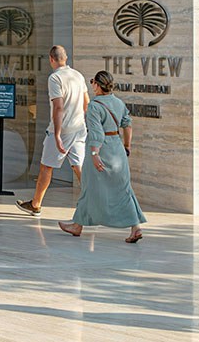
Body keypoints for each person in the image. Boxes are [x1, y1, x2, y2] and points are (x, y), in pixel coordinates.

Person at [58, 71, 145, 242]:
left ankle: (77, 226)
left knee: (89, 187)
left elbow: (97, 134)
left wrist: (94, 154)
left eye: (92, 82)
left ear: (98, 85)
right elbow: (128, 125)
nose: (91, 85)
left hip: (101, 150)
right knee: (124, 189)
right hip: (117, 148)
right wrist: (127, 145)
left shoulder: (94, 106)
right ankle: (136, 227)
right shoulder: (119, 103)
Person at [18, 45, 89, 217]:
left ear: (51, 59)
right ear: (66, 58)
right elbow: (86, 102)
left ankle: (36, 204)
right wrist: (79, 120)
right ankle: (95, 202)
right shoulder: (77, 75)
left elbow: (58, 107)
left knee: (46, 167)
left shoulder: (55, 78)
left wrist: (57, 134)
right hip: (79, 128)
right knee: (79, 167)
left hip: (62, 130)